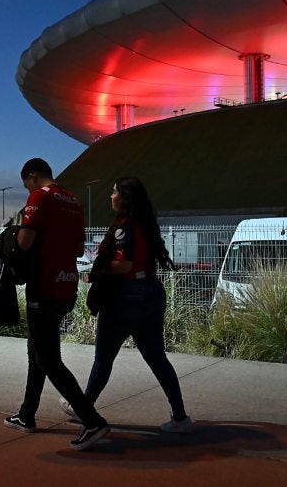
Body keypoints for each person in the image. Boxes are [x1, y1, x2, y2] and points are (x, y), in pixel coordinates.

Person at [63, 176, 193, 433]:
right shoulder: (145, 224)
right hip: (151, 292)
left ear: (124, 198)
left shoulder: (123, 227)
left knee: (103, 358)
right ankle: (180, 416)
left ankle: (85, 410)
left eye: (114, 192)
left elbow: (123, 264)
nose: (110, 196)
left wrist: (100, 266)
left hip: (126, 296)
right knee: (157, 357)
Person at [3, 158, 110, 451]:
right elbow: (78, 248)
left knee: (48, 359)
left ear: (33, 177)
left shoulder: (39, 197)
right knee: (37, 350)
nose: (27, 189)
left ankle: (92, 421)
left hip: (44, 286)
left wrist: (16, 234)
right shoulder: (73, 200)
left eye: (26, 183)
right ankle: (27, 415)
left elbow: (24, 242)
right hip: (66, 285)